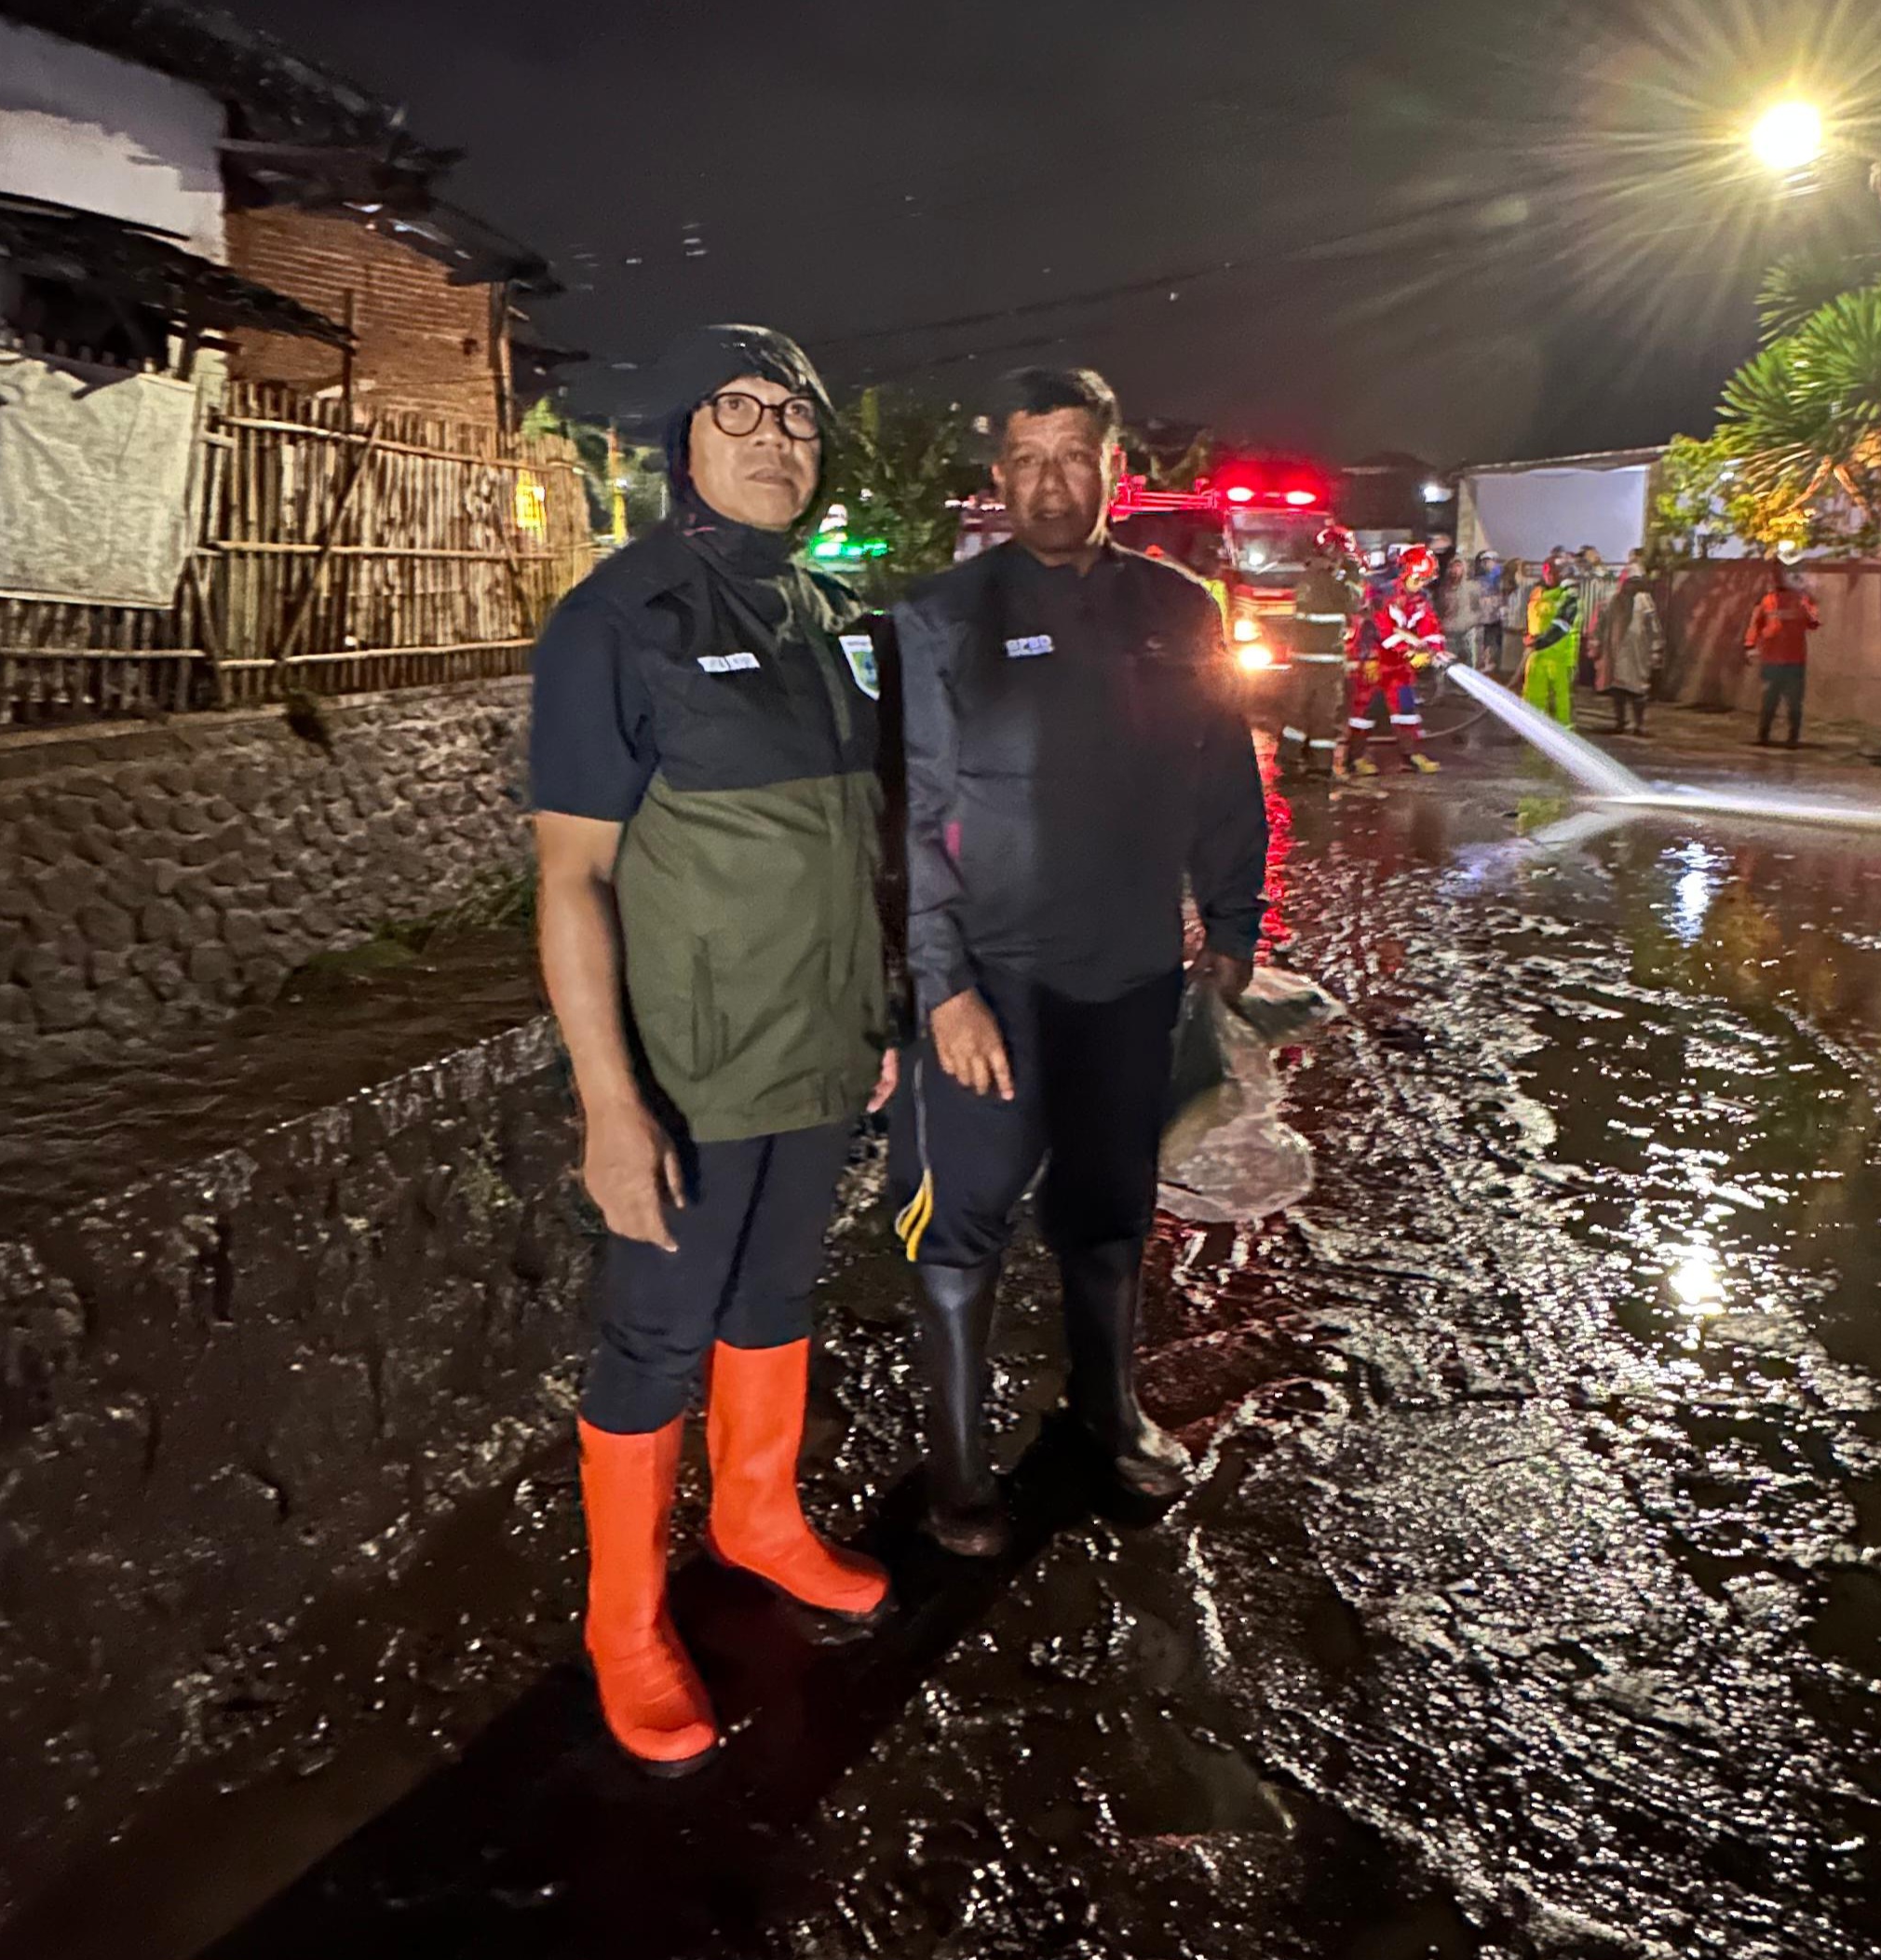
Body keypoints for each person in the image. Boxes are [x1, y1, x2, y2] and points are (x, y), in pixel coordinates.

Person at [527, 325, 896, 1775]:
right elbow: (572, 879)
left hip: (819, 1043)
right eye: (737, 409)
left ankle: (756, 1518)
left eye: (795, 414)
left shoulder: (837, 615)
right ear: (686, 439)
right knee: (656, 1337)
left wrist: (874, 1006)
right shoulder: (618, 617)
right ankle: (623, 1621)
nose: (773, 436)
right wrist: (610, 1104)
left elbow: (855, 842)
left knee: (781, 1292)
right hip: (691, 1065)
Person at [891, 367, 1269, 1556]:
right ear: (996, 476)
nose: (1051, 483)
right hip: (992, 982)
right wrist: (940, 984)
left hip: (1129, 972)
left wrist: (1233, 913)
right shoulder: (941, 616)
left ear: (1119, 468)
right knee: (965, 1221)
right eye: (1026, 459)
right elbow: (902, 817)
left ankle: (1106, 1407)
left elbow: (1221, 766)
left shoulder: (1179, 607)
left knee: (1110, 1208)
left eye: (1075, 456)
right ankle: (959, 1466)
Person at [1345, 543, 1448, 775]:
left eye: (1425, 580)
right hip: (1373, 660)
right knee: (1364, 711)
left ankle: (1411, 755)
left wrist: (1435, 649)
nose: (1421, 585)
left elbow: (1429, 626)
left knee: (1406, 707)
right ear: (1405, 573)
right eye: (1418, 579)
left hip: (1399, 666)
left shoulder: (1420, 599)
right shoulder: (1382, 594)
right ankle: (1356, 757)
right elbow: (1384, 632)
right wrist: (1411, 652)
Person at [1277, 522, 1360, 780]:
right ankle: (1320, 767)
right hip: (1327, 659)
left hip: (1303, 658)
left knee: (1298, 711)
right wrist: (1347, 574)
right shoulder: (1333, 580)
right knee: (1324, 713)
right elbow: (1352, 602)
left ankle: (1289, 758)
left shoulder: (1307, 576)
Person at [1745, 560, 1821, 747]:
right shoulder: (1767, 600)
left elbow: (1813, 624)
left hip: (1795, 660)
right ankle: (1763, 736)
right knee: (1769, 700)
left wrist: (1805, 604)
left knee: (1794, 703)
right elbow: (1755, 625)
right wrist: (1749, 646)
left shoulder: (1802, 599)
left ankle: (1793, 738)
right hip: (1772, 660)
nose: (1778, 578)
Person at [1598, 551, 1661, 736]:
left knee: (1638, 691)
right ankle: (1620, 722)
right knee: (1618, 689)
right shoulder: (1613, 601)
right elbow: (1602, 622)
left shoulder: (1644, 602)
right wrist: (1598, 641)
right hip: (1617, 651)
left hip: (1638, 652)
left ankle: (1639, 724)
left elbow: (1653, 626)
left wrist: (1656, 648)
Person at [1522, 554, 1584, 726]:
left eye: (1553, 572)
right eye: (1546, 571)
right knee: (1533, 696)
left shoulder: (1569, 596)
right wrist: (1529, 637)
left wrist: (1538, 642)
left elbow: (1562, 625)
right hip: (1537, 656)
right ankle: (1532, 728)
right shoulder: (1537, 593)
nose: (1548, 575)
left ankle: (1563, 738)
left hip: (1560, 658)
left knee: (1560, 699)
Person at [1466, 550, 1511, 675]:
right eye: (1491, 561)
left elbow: (1504, 595)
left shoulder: (1500, 578)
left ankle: (1490, 667)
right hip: (1480, 620)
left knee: (1493, 645)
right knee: (1479, 646)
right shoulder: (1476, 582)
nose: (1494, 564)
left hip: (1494, 619)